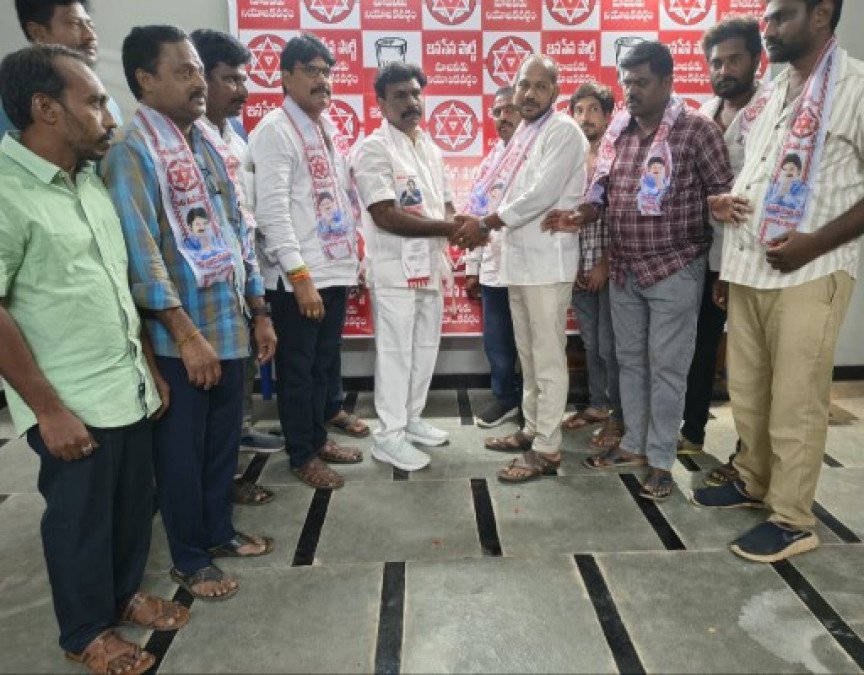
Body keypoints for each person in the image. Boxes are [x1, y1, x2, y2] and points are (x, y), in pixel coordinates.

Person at [0, 45, 189, 675]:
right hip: (69, 400)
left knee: (131, 507)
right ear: (46, 108)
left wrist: (149, 367)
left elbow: (114, 285)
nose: (110, 116)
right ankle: (85, 632)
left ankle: (121, 594)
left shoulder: (88, 181)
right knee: (79, 521)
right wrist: (47, 409)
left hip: (124, 384)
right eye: (96, 101)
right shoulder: (6, 190)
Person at [102, 24, 277, 601]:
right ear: (145, 80)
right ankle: (189, 559)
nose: (199, 82)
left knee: (221, 449)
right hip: (180, 340)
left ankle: (218, 532)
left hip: (229, 324)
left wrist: (259, 309)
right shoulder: (132, 151)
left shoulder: (207, 143)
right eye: (184, 72)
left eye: (199, 69)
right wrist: (185, 335)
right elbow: (141, 255)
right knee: (181, 455)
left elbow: (237, 231)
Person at [694, 0, 864, 563]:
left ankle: (792, 518)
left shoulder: (856, 87)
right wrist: (725, 202)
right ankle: (753, 479)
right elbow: (758, 168)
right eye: (766, 18)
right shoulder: (771, 92)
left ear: (821, 15)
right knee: (748, 389)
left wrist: (816, 242)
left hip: (812, 269)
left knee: (796, 399)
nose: (767, 28)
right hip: (749, 266)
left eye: (781, 16)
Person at [546, 41, 733, 500]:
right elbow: (602, 195)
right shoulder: (619, 132)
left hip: (675, 267)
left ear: (668, 81)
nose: (631, 91)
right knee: (629, 361)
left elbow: (722, 193)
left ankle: (662, 460)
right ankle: (633, 444)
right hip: (625, 270)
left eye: (642, 82)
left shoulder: (697, 130)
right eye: (627, 82)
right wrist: (581, 215)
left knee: (667, 368)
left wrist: (724, 260)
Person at [453, 55, 588, 481]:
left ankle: (547, 448)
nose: (529, 94)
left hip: (547, 263)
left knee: (547, 358)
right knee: (528, 357)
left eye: (540, 86)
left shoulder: (563, 131)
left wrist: (485, 224)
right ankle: (531, 429)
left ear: (555, 92)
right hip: (517, 262)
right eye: (523, 85)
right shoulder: (524, 134)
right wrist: (481, 227)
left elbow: (541, 194)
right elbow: (502, 192)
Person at [248, 33, 362, 489]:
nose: (322, 80)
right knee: (298, 372)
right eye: (311, 71)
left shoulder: (324, 126)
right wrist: (299, 277)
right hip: (299, 278)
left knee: (321, 367)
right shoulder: (274, 131)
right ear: (285, 76)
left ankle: (317, 438)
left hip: (332, 269)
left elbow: (335, 199)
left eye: (326, 72)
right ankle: (302, 454)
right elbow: (272, 213)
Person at [189, 28, 283, 512]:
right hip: (203, 291)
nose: (242, 90)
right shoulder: (184, 141)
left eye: (243, 79)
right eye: (230, 79)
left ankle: (233, 456)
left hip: (244, 278)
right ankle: (211, 488)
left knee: (238, 379)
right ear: (199, 79)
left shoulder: (235, 136)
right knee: (206, 400)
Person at [351, 62, 458, 471]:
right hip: (395, 270)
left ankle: (411, 419)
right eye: (400, 95)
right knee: (395, 354)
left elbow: (445, 203)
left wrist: (455, 226)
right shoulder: (373, 148)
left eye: (415, 93)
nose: (411, 102)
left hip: (430, 266)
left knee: (425, 349)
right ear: (381, 103)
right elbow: (384, 215)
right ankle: (388, 437)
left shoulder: (430, 147)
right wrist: (450, 227)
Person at [677, 16, 764, 472]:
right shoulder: (703, 114)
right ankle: (692, 431)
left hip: (756, 255)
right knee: (699, 347)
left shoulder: (775, 110)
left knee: (751, 360)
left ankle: (748, 454)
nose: (724, 70)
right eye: (716, 62)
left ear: (756, 59)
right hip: (707, 252)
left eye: (734, 59)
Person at [563, 82, 624, 451]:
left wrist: (606, 261)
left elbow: (623, 215)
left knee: (610, 345)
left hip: (609, 265)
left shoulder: (617, 156)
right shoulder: (569, 158)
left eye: (593, 110)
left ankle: (617, 412)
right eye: (579, 110)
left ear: (608, 115)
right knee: (590, 342)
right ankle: (597, 404)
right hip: (576, 264)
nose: (585, 117)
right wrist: (570, 263)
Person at [464, 85, 523, 428]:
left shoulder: (536, 154)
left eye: (510, 109)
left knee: (532, 343)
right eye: (497, 111)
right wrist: (472, 267)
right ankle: (505, 398)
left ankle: (534, 403)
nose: (503, 117)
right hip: (492, 266)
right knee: (497, 342)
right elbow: (476, 216)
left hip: (528, 267)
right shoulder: (489, 164)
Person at [2, 0, 123, 135]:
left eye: (90, 24)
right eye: (75, 24)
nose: (90, 36)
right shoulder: (8, 106)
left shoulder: (109, 105)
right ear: (37, 32)